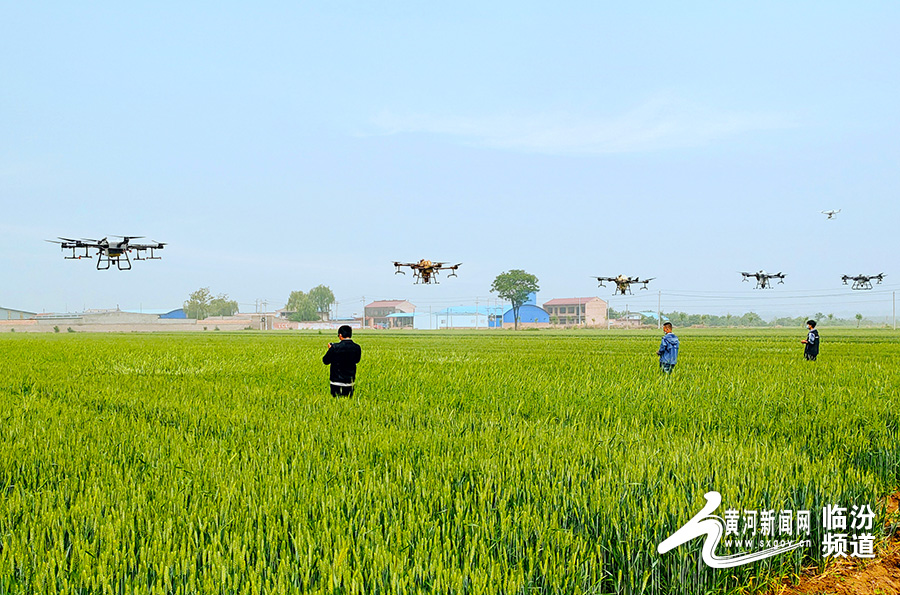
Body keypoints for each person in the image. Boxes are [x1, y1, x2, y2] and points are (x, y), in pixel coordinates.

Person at [322, 325, 361, 396]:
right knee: (348, 400)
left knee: (335, 400)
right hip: (350, 381)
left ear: (340, 335)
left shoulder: (335, 347)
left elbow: (325, 361)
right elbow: (357, 360)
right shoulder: (357, 347)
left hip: (336, 381)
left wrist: (331, 350)